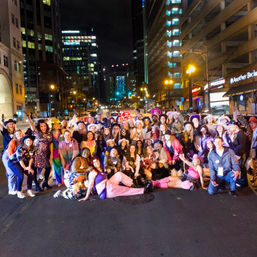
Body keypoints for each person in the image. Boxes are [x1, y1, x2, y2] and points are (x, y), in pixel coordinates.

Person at [79, 157, 146, 201]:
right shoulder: (93, 172)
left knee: (119, 174)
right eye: (94, 162)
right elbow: (90, 185)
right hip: (105, 190)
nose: (96, 163)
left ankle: (133, 185)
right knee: (126, 190)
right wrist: (86, 197)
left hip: (108, 184)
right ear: (92, 164)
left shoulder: (101, 170)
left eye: (97, 161)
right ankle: (142, 190)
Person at [26, 115, 53, 190]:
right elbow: (32, 126)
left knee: (48, 168)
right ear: (39, 127)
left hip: (44, 155)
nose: (43, 127)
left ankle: (45, 183)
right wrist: (29, 119)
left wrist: (51, 155)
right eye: (41, 126)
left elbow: (50, 144)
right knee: (35, 169)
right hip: (36, 154)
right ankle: (37, 186)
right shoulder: (37, 133)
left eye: (44, 126)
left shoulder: (49, 134)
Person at [5, 130, 23, 194]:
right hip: (8, 156)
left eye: (20, 133)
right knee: (11, 173)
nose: (19, 135)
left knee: (16, 172)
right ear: (15, 135)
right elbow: (10, 155)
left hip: (16, 157)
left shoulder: (22, 141)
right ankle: (11, 190)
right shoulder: (13, 142)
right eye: (17, 134)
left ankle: (15, 187)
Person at [50, 120, 63, 186]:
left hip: (62, 150)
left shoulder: (62, 132)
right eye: (55, 125)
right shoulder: (50, 133)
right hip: (54, 151)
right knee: (57, 166)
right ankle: (59, 181)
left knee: (63, 165)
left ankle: (63, 179)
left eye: (58, 124)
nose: (56, 126)